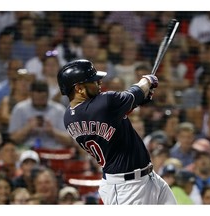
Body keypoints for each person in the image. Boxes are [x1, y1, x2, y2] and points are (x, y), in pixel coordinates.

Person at [57, 59, 177, 204]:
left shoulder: (68, 117)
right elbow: (136, 92)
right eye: (93, 81)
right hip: (127, 188)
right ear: (79, 89)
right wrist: (147, 80)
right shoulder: (104, 102)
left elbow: (113, 114)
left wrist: (140, 98)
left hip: (143, 179)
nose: (99, 83)